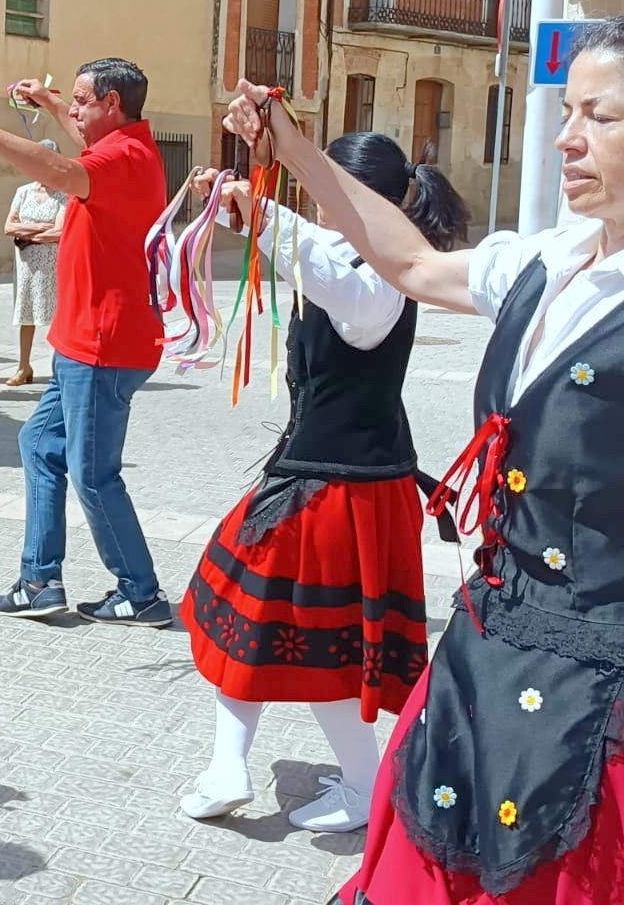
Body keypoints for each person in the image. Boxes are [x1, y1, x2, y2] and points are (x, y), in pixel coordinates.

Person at [223, 10, 624, 905]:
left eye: (603, 115)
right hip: (488, 645)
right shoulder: (551, 261)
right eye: (568, 110)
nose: (567, 137)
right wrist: (293, 147)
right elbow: (410, 262)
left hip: (618, 695)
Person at [177, 134, 469, 835]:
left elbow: (316, 261)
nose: (317, 198)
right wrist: (234, 206)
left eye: (329, 184)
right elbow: (306, 243)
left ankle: (365, 786)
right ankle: (228, 765)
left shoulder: (379, 279)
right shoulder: (351, 255)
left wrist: (261, 214)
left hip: (345, 491)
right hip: (318, 477)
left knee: (321, 650)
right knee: (244, 621)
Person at [0, 59, 172, 625]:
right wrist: (50, 102)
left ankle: (141, 592)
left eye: (80, 99)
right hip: (86, 342)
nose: (72, 108)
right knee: (37, 445)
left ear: (113, 105)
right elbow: (78, 144)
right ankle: (39, 580)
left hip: (103, 345)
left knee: (93, 473)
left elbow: (58, 169)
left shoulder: (122, 157)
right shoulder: (127, 145)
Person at [3, 144, 66, 386]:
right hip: (26, 261)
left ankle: (58, 366)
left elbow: (59, 231)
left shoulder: (63, 194)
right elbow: (8, 227)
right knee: (26, 313)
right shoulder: (23, 192)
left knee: (55, 314)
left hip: (51, 262)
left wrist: (26, 231)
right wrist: (42, 229)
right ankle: (23, 366)